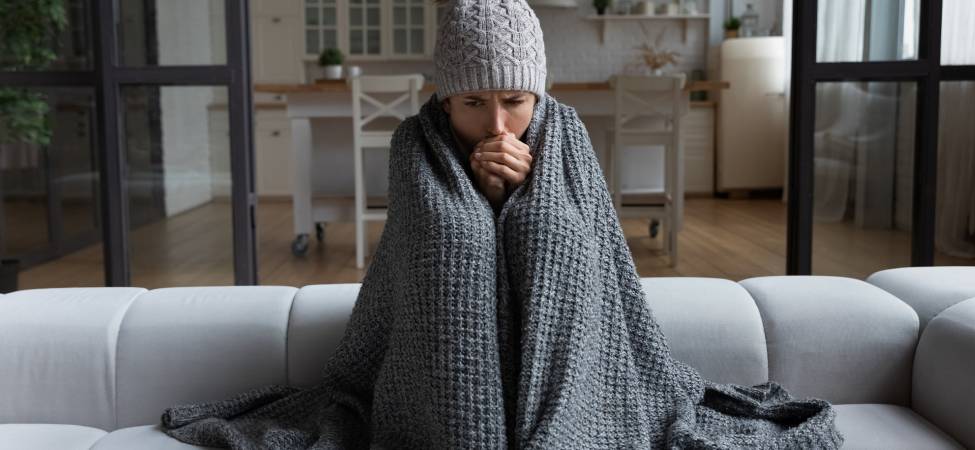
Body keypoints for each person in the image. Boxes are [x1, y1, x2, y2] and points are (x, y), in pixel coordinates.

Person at [159, 0, 843, 448]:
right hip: (433, 390)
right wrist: (478, 202)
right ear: (444, 99)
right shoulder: (414, 145)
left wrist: (524, 205)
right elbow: (428, 259)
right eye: (473, 104)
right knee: (457, 241)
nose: (495, 125)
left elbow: (591, 257)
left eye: (515, 102)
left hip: (576, 368)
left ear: (538, 94)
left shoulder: (566, 135)